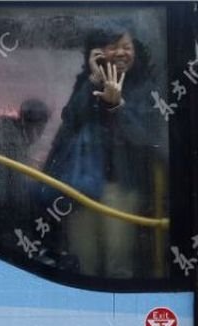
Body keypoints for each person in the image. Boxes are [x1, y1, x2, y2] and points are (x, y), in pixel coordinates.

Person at [42, 26, 159, 277]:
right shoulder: (87, 82)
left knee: (119, 261)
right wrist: (91, 82)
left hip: (120, 186)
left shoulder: (144, 86)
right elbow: (69, 122)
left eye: (127, 47)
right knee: (83, 261)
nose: (121, 53)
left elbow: (146, 138)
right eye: (112, 47)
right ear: (97, 52)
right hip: (79, 184)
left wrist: (117, 106)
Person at [0, 99, 51, 237]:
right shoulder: (13, 145)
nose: (39, 135)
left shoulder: (9, 135)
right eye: (39, 128)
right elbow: (13, 187)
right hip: (1, 210)